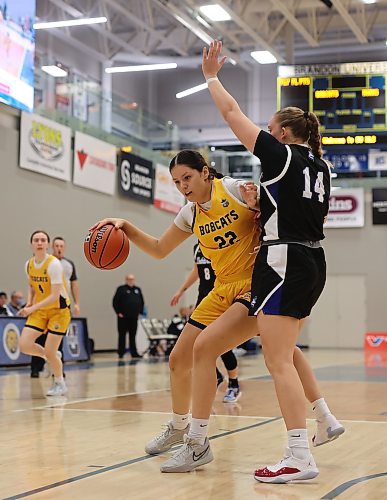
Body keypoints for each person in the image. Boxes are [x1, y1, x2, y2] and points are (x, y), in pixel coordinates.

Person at [90, 147, 342, 474]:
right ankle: (180, 427)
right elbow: (158, 249)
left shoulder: (237, 190)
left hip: (255, 285)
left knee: (213, 348)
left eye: (188, 178)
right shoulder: (189, 213)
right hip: (222, 289)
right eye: (177, 182)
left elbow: (287, 215)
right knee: (179, 359)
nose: (183, 186)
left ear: (206, 172)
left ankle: (199, 442)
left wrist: (259, 210)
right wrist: (126, 226)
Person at [198, 40, 344, 482]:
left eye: (268, 127)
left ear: (281, 133)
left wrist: (211, 77)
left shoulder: (280, 155)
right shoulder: (322, 166)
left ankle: (299, 455)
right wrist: (263, 199)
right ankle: (323, 418)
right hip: (310, 261)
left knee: (277, 360)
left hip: (283, 259)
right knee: (284, 351)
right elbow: (299, 208)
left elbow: (230, 114)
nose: (262, 130)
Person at [170, 242, 241, 403]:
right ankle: (216, 376)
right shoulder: (196, 247)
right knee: (195, 343)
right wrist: (181, 291)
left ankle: (234, 384)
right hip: (203, 299)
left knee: (221, 343)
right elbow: (196, 270)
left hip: (221, 297)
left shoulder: (219, 241)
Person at [18, 230, 71, 396]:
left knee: (49, 350)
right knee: (24, 345)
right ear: (31, 244)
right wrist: (29, 301)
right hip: (40, 309)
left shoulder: (54, 264)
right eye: (36, 240)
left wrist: (31, 309)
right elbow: (32, 286)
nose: (39, 243)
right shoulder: (29, 264)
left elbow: (55, 296)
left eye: (43, 240)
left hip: (59, 311)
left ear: (47, 244)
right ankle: (52, 356)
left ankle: (59, 383)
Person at [112, 274, 145, 359]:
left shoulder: (137, 289)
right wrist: (118, 312)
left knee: (133, 335)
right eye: (129, 279)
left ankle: (134, 352)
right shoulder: (121, 289)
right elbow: (115, 301)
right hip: (123, 317)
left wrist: (139, 311)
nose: (131, 281)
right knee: (122, 335)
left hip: (134, 316)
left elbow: (141, 301)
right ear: (126, 280)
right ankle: (121, 352)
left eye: (132, 279)